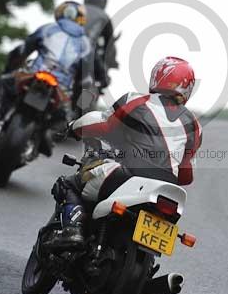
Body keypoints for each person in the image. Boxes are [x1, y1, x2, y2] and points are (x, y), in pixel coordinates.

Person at [45, 56, 202, 251]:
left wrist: (74, 128)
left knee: (69, 184)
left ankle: (73, 231)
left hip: (128, 174)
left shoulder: (136, 100)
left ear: (158, 75)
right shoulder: (194, 125)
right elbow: (186, 175)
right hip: (168, 190)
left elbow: (102, 124)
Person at [0, 1, 92, 137]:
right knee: (69, 111)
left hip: (36, 73)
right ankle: (57, 131)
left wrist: (10, 70)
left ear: (63, 13)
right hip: (61, 87)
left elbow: (22, 50)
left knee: (1, 81)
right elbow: (89, 73)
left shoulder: (48, 28)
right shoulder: (86, 43)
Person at [82, 0, 117, 89]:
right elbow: (109, 43)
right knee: (103, 80)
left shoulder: (77, 8)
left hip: (65, 45)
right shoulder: (104, 16)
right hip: (87, 51)